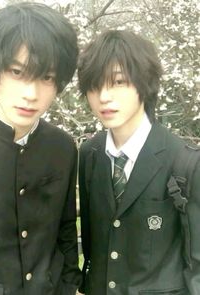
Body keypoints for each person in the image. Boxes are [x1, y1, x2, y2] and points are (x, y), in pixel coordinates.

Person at [0, 2, 81, 295]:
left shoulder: (63, 147)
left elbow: (66, 230)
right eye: (17, 72)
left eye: (46, 77)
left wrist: (68, 286)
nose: (31, 94)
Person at [77, 30, 200, 295]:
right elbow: (91, 244)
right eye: (94, 85)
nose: (104, 96)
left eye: (119, 82)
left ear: (144, 82)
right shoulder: (90, 153)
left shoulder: (186, 161)